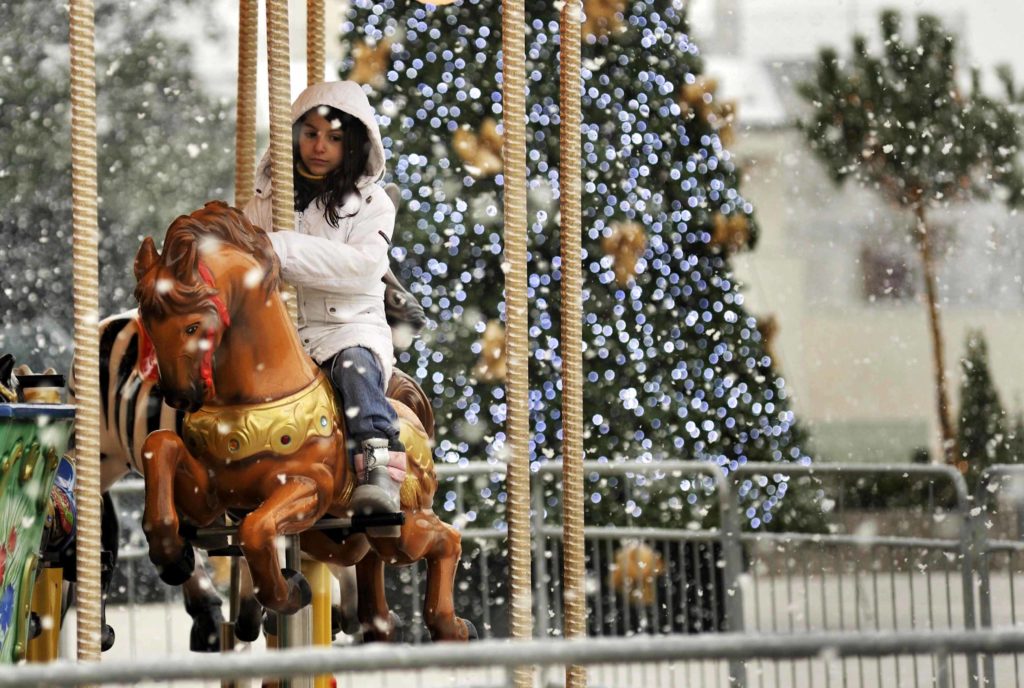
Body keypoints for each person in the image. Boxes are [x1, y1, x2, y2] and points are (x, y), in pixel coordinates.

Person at [243, 81, 405, 524]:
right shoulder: (269, 201)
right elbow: (242, 250)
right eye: (310, 133)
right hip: (289, 336)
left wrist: (285, 249)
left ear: (352, 144)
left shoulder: (371, 203)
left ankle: (379, 463)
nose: (319, 146)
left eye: (334, 138)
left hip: (348, 327)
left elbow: (365, 266)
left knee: (354, 366)